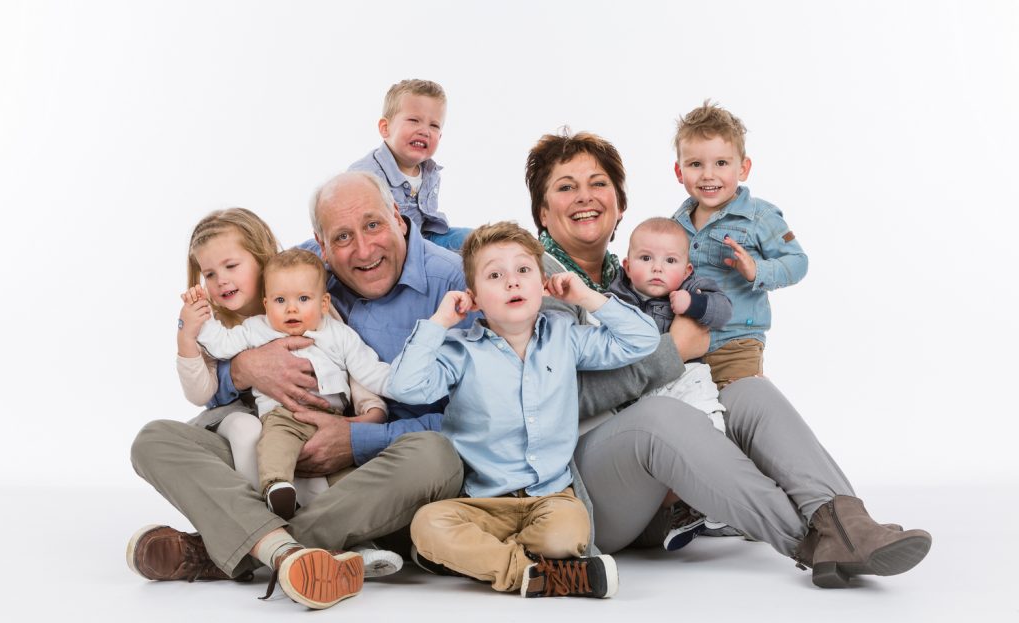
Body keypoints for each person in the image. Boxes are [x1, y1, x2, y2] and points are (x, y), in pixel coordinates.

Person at [525, 129, 932, 588]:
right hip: (589, 492)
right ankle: (812, 540)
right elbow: (547, 400)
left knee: (746, 392)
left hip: (659, 505)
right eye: (565, 186)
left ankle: (848, 523)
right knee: (660, 414)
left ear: (620, 204)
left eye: (598, 184)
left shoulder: (642, 271)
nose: (585, 197)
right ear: (543, 211)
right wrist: (671, 350)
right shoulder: (535, 282)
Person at [128, 173, 466, 609]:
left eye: (373, 225)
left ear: (398, 218)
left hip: (371, 473)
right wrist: (248, 367)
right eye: (342, 237)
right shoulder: (294, 271)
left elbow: (480, 420)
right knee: (156, 440)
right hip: (274, 447)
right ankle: (290, 552)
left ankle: (237, 549)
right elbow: (213, 389)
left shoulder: (455, 284)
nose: (362, 250)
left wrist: (358, 436)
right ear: (320, 246)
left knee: (436, 455)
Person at [390, 222, 659, 598]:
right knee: (427, 523)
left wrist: (586, 297)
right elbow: (402, 386)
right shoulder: (460, 350)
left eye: (523, 271)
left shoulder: (565, 338)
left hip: (550, 499)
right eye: (495, 275)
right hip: (481, 503)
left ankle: (487, 562)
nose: (512, 282)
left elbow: (644, 341)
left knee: (568, 531)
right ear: (474, 297)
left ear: (542, 284)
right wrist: (440, 321)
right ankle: (538, 574)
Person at [193, 249, 391, 521]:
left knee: (345, 475)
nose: (291, 308)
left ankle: (358, 529)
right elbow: (221, 344)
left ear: (324, 303)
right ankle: (277, 488)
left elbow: (367, 370)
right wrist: (202, 316)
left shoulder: (339, 334)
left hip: (333, 420)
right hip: (283, 415)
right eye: (280, 300)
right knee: (275, 444)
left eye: (303, 299)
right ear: (266, 303)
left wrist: (397, 384)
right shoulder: (258, 328)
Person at [608, 216, 734, 550]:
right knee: (663, 449)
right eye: (645, 259)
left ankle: (718, 491)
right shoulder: (616, 297)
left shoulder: (692, 288)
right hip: (643, 387)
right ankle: (687, 509)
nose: (657, 269)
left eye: (670, 261)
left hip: (685, 376)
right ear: (627, 265)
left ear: (687, 270)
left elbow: (723, 311)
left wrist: (694, 304)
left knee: (708, 423)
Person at [671, 100, 808, 388]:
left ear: (743, 168)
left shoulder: (759, 216)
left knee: (738, 409)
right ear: (679, 171)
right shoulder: (676, 222)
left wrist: (756, 270)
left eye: (721, 163)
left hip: (737, 343)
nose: (708, 174)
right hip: (688, 341)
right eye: (696, 164)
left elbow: (797, 262)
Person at [348, 78, 470, 251]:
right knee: (447, 264)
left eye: (434, 125)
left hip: (423, 237)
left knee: (476, 240)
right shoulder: (365, 175)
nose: (425, 131)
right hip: (389, 246)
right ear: (385, 128)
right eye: (414, 120)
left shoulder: (430, 172)